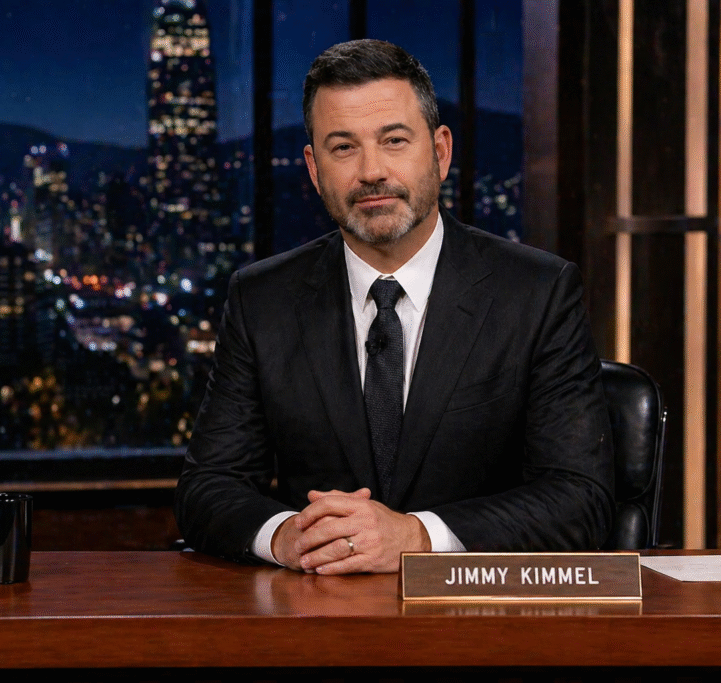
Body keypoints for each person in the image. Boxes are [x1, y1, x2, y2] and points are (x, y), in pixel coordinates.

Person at [175, 39, 614, 575]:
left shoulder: (538, 292)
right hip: (317, 625)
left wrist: (417, 536)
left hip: (479, 631)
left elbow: (580, 499)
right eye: (343, 148)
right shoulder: (262, 299)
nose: (371, 171)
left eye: (394, 140)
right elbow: (207, 487)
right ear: (314, 169)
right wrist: (286, 536)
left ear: (441, 151)